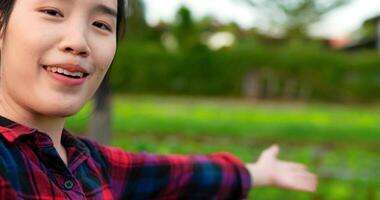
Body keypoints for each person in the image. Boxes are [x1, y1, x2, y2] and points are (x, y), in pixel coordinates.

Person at [0, 0, 317, 199]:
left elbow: (177, 175)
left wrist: (257, 172)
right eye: (53, 12)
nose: (78, 42)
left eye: (101, 24)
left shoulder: (92, 164)